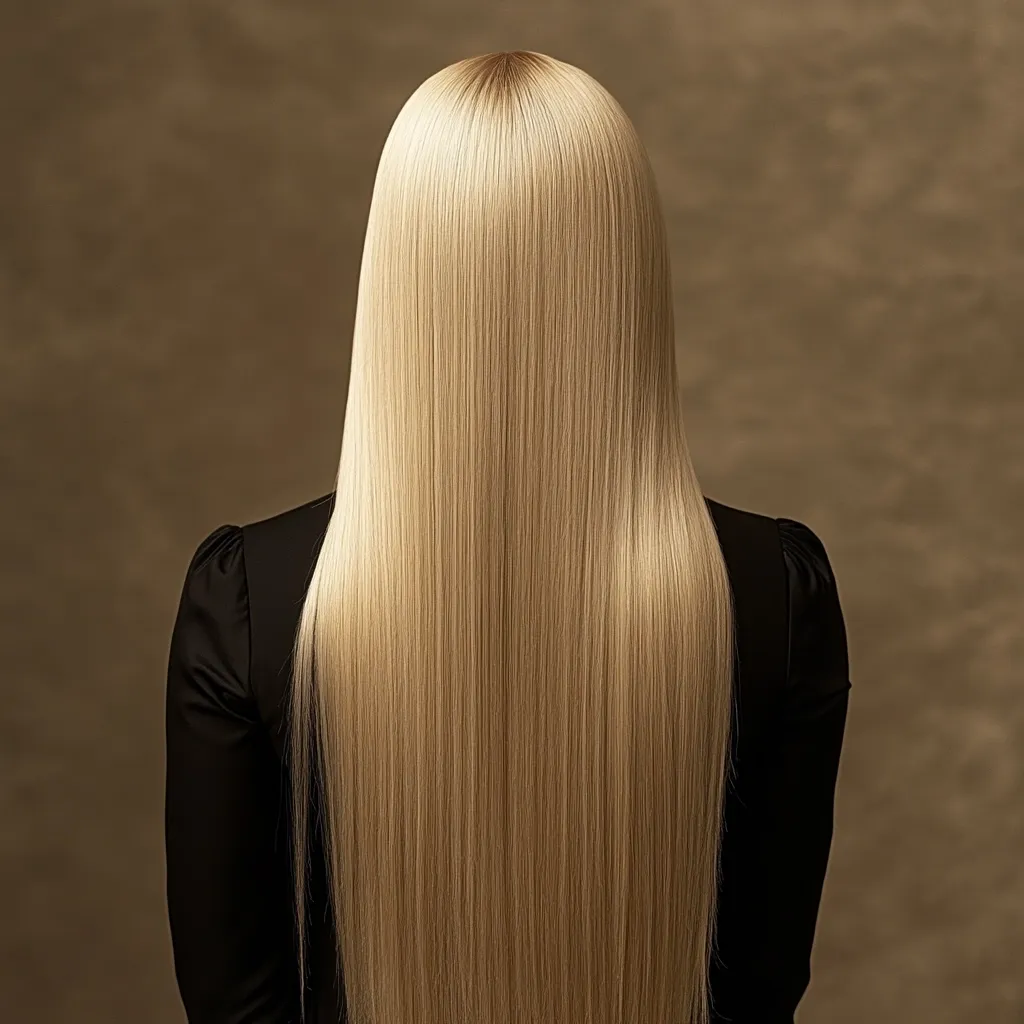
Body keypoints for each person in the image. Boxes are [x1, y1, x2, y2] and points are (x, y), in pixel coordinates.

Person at [165, 50, 851, 1024]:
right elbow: (760, 987)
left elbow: (233, 1001)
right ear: (626, 266)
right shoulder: (776, 594)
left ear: (396, 268)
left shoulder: (251, 601)